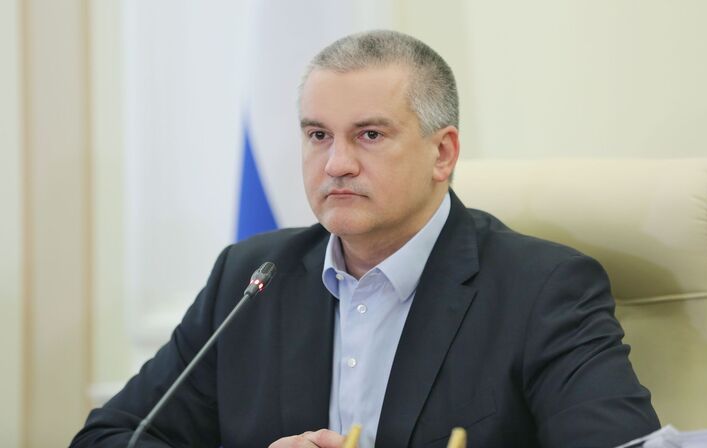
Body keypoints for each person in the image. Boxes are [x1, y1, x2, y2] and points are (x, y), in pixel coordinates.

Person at [71, 30, 660, 448]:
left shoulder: (542, 290)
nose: (336, 164)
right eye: (318, 135)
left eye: (370, 135)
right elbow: (110, 436)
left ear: (443, 153)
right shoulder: (251, 277)